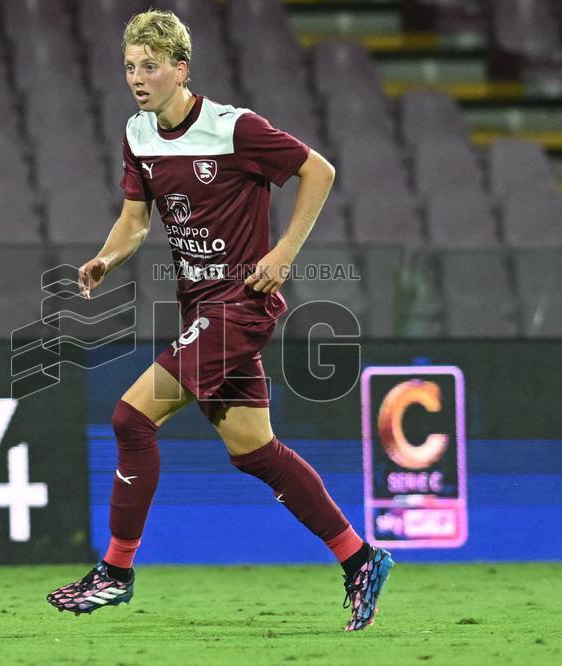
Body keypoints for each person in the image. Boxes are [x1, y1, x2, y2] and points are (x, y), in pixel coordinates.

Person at [46, 9, 393, 631]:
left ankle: (115, 573)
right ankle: (360, 557)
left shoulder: (234, 129)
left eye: (150, 66)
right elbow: (135, 221)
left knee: (131, 416)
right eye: (129, 67)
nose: (137, 78)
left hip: (241, 305)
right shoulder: (139, 133)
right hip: (198, 308)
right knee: (254, 449)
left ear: (181, 68)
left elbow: (319, 170)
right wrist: (106, 257)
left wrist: (283, 253)